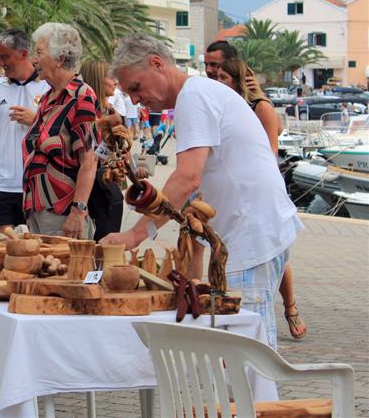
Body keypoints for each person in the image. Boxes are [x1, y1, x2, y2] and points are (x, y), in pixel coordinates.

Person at [101, 34, 302, 350]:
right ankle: (248, 400)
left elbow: (187, 177)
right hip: (252, 231)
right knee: (243, 345)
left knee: (247, 350)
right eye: (130, 94)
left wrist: (136, 235)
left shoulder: (194, 97)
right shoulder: (199, 94)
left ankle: (254, 401)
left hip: (252, 233)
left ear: (157, 63)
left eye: (136, 88)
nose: (136, 100)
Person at [217, 58, 307, 340]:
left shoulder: (260, 107)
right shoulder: (223, 108)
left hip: (262, 195)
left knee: (274, 253)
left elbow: (268, 153)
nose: (218, 81)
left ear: (239, 79)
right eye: (215, 75)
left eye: (223, 77)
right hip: (236, 201)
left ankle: (290, 308)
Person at [23, 23, 99, 239]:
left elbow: (89, 160)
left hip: (63, 214)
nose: (33, 59)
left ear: (60, 58)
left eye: (39, 52)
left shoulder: (81, 96)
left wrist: (78, 211)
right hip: (37, 211)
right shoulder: (48, 98)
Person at [0, 29, 50, 231]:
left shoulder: (47, 88)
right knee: (2, 248)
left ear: (24, 54)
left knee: (32, 250)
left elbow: (61, 135)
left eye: (5, 57)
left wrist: (35, 120)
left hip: (35, 187)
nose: (0, 63)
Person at [79, 60, 125, 240]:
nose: (115, 82)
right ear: (98, 79)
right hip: (94, 191)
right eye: (111, 77)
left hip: (109, 191)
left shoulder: (109, 111)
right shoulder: (88, 112)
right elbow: (90, 151)